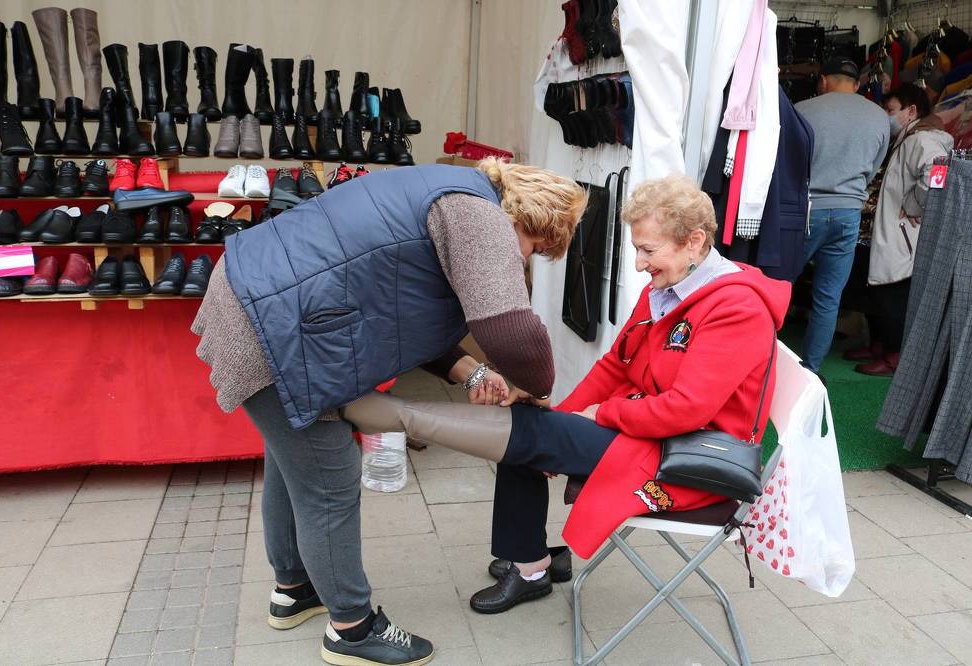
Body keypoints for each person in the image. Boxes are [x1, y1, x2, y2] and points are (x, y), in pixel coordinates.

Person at [191, 158, 585, 666]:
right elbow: (512, 330)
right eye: (534, 249)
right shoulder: (481, 217)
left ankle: (295, 590)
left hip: (259, 297)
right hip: (268, 320)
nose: (526, 260)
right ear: (534, 222)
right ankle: (352, 629)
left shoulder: (449, 191)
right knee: (328, 477)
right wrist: (537, 389)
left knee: (293, 462)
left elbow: (408, 306)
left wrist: (472, 373)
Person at [344, 174, 791, 613]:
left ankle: (527, 563)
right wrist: (565, 412)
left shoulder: (736, 308)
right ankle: (529, 560)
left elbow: (686, 411)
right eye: (636, 249)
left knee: (527, 434)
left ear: (694, 241)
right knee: (532, 427)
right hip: (656, 432)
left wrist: (600, 414)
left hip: (692, 459)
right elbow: (616, 364)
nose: (639, 265)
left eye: (649, 250)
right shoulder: (672, 285)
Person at [794, 57, 890, 373]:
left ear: (823, 80)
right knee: (828, 298)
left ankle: (760, 361)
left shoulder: (803, 109)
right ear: (857, 84)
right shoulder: (880, 116)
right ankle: (811, 370)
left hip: (806, 209)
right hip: (849, 212)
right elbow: (874, 167)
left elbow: (787, 163)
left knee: (778, 287)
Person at [854, 84, 953, 377]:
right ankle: (880, 345)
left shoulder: (923, 140)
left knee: (893, 295)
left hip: (903, 233)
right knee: (879, 291)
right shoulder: (908, 137)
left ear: (911, 111)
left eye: (891, 110)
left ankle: (895, 356)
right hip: (888, 229)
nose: (886, 115)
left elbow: (939, 173)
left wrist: (915, 205)